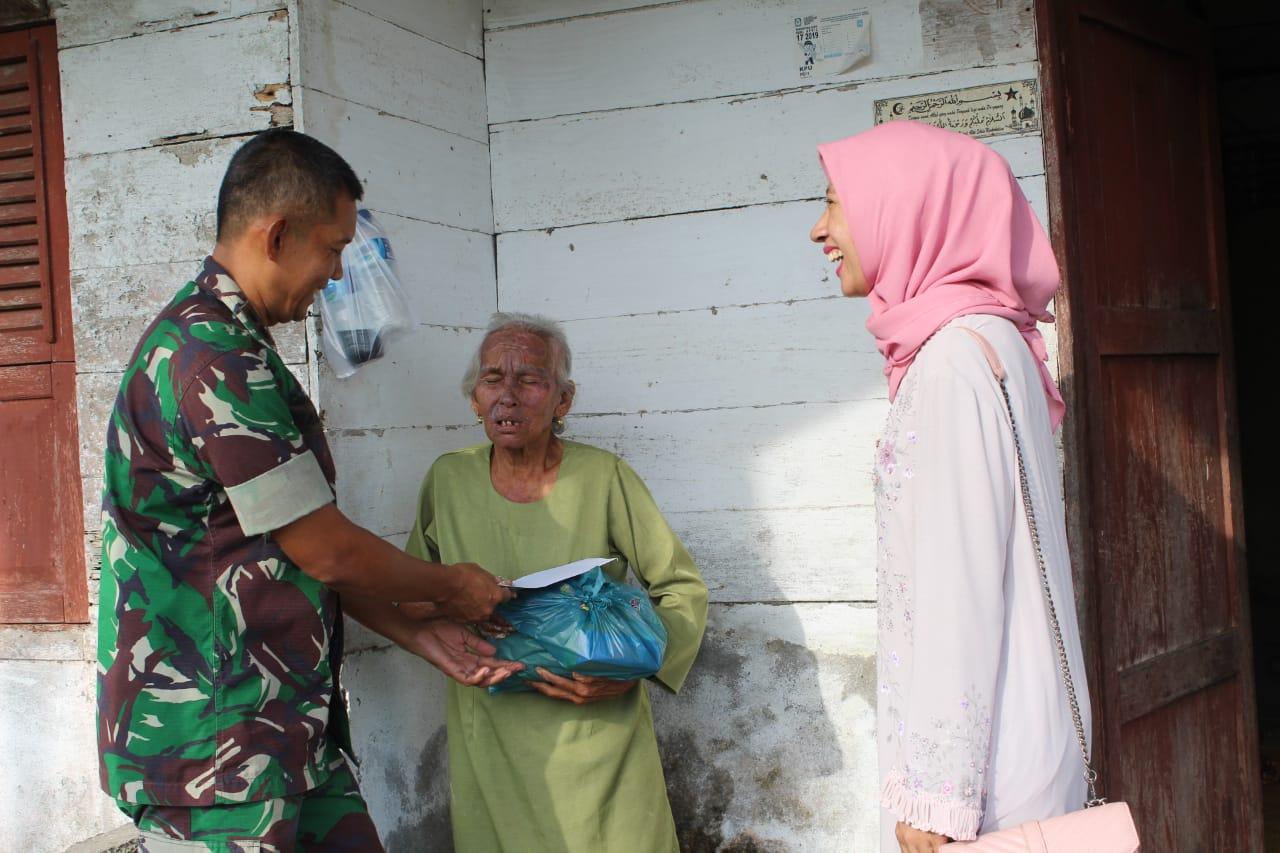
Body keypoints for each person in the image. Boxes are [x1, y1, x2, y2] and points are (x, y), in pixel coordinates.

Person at [97, 129, 518, 851]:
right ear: (279, 234)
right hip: (216, 750)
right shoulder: (211, 357)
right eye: (331, 248)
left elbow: (286, 540)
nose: (335, 272)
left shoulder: (237, 344)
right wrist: (452, 588)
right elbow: (323, 547)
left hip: (285, 730)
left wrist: (417, 630)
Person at [809, 120, 1092, 852]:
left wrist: (936, 797)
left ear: (903, 207)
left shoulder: (951, 363)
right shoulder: (994, 340)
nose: (819, 229)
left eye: (835, 203)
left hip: (983, 788)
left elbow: (957, 584)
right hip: (1021, 742)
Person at [406, 312, 709, 852]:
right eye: (493, 378)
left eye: (530, 379)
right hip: (491, 740)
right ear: (475, 398)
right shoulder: (448, 480)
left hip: (599, 734)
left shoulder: (604, 477)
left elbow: (681, 587)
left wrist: (637, 668)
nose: (509, 396)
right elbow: (413, 596)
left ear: (562, 400)